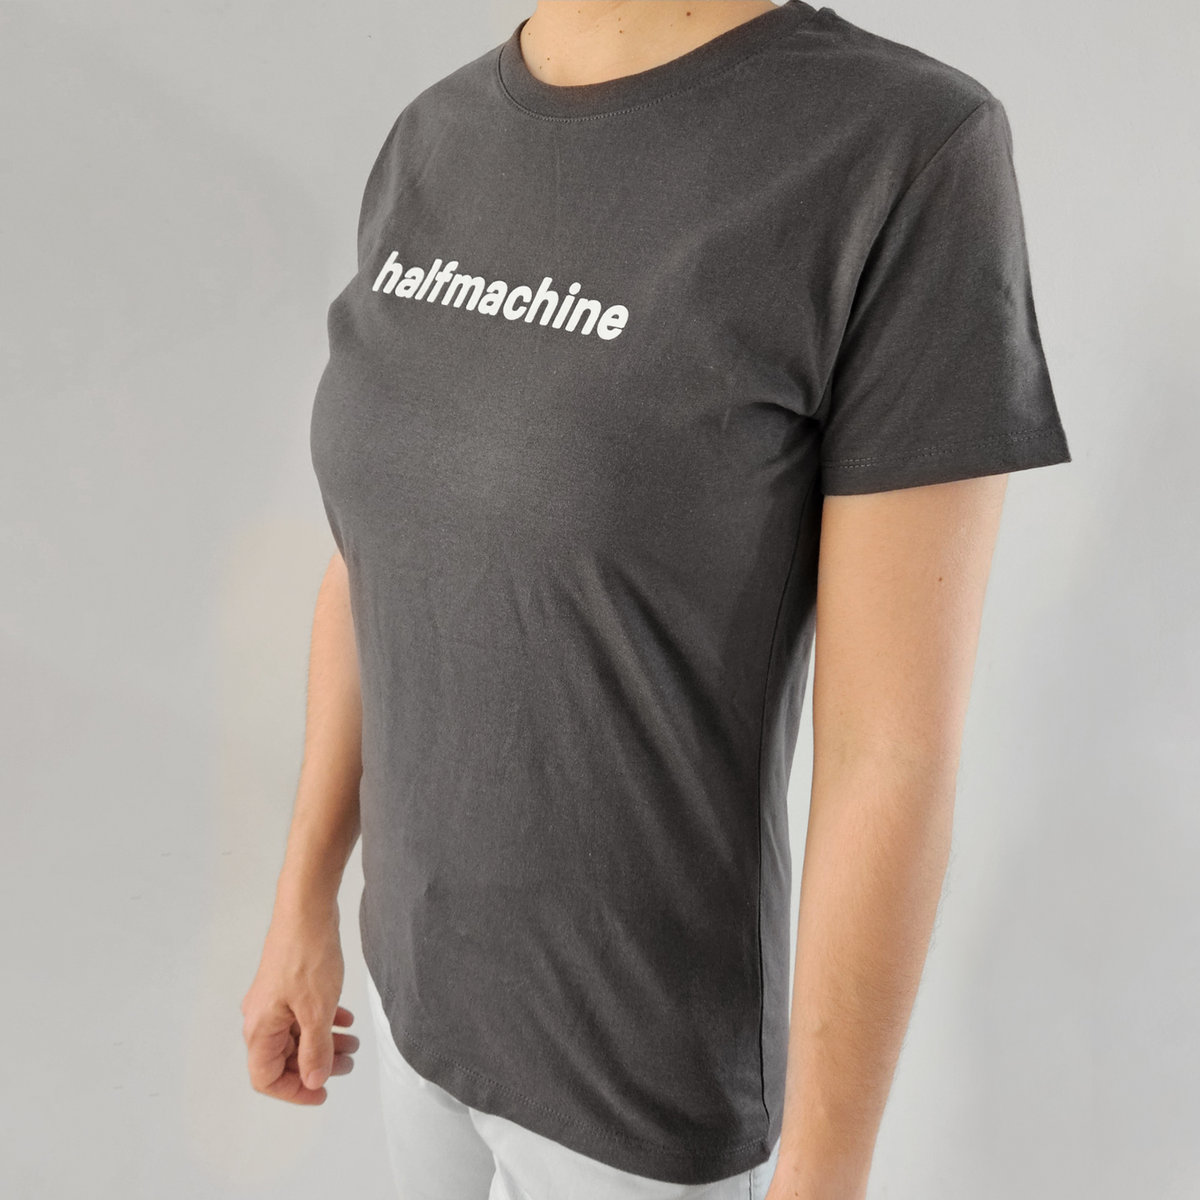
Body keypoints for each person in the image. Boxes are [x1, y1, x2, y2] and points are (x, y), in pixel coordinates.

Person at [240, 2, 1073, 1197]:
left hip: (635, 1090)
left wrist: (825, 1175)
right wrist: (306, 897)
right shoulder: (437, 135)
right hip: (416, 1004)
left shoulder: (898, 147)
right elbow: (371, 560)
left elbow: (889, 750)